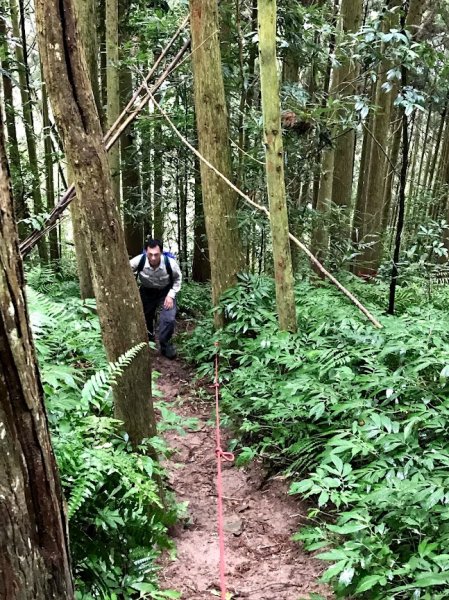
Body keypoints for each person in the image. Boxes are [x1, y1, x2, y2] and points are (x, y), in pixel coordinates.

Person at [130, 239, 182, 359]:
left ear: (161, 253)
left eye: (156, 254)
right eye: (150, 254)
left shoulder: (170, 263)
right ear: (146, 252)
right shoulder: (139, 260)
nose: (153, 258)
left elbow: (178, 279)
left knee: (168, 318)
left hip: (166, 291)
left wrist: (171, 295)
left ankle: (165, 344)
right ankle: (148, 339)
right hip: (146, 291)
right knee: (145, 316)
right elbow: (125, 271)